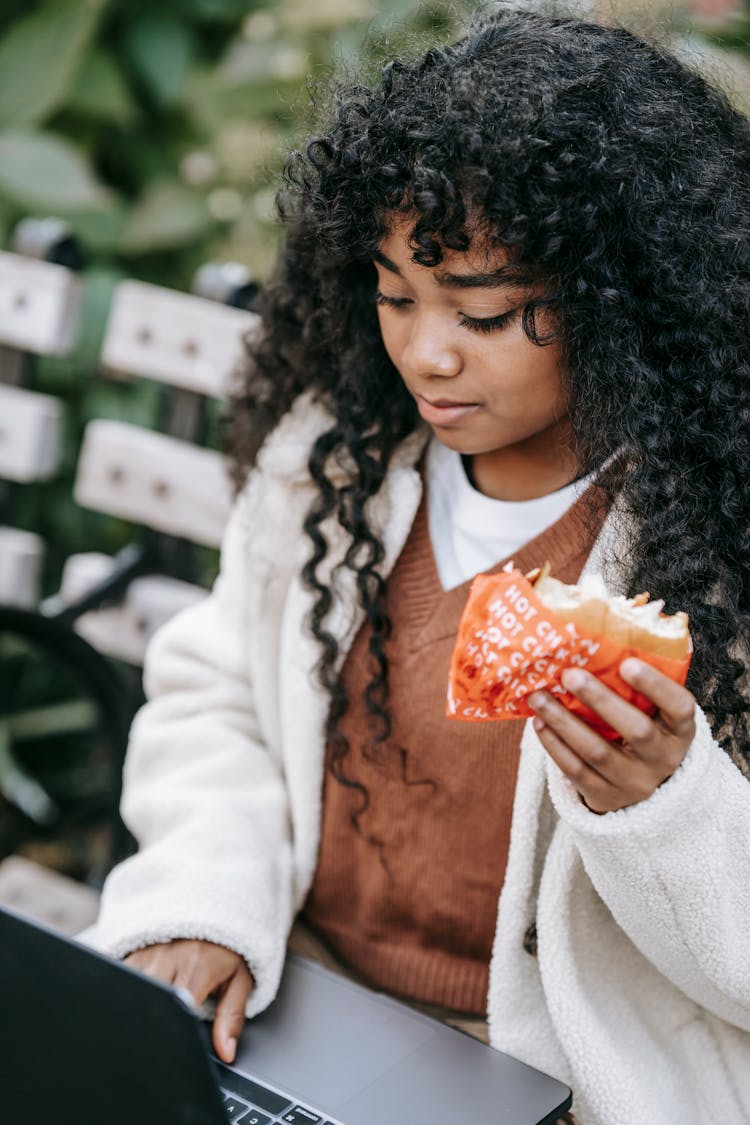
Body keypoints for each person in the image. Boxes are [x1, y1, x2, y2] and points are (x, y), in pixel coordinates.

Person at [90, 8, 750, 1123]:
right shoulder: (326, 465)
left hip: (551, 1080)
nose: (426, 354)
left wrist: (667, 810)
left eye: (484, 313)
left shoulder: (716, 556)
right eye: (398, 295)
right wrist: (200, 907)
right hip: (294, 1010)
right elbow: (219, 699)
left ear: (621, 303)